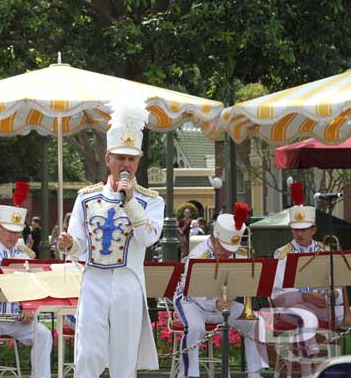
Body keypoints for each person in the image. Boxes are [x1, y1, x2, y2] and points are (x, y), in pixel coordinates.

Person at [58, 101, 164, 377]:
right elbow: (80, 246)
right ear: (108, 159)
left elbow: (147, 238)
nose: (125, 164)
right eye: (120, 157)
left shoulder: (151, 201)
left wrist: (130, 202)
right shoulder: (86, 197)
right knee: (88, 354)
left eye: (131, 158)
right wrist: (69, 244)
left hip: (128, 281)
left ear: (138, 161)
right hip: (94, 280)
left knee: (123, 358)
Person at [174, 204, 268, 378]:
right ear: (214, 240)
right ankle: (188, 374)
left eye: (230, 249)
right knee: (196, 328)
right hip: (191, 302)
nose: (227, 253)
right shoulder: (197, 256)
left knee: (256, 323)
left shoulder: (237, 254)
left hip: (222, 303)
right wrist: (214, 302)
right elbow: (192, 290)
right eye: (223, 248)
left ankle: (255, 372)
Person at [271, 183, 348, 377]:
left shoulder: (326, 251)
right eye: (296, 229)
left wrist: (333, 294)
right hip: (292, 310)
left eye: (304, 229)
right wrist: (304, 296)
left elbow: (339, 291)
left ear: (313, 229)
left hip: (324, 307)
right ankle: (308, 373)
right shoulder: (281, 254)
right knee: (306, 318)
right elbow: (277, 295)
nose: (299, 233)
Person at [0, 204, 52, 378]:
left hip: (16, 317)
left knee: (43, 334)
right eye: (8, 231)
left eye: (16, 232)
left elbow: (34, 286)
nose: (13, 236)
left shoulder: (25, 254)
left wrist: (30, 308)